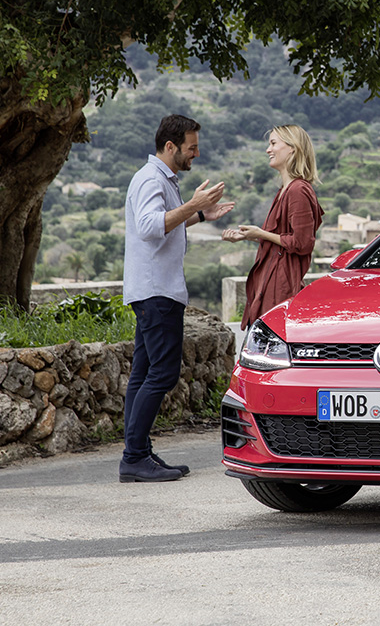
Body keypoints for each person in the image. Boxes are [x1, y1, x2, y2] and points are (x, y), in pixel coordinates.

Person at [121, 114, 234, 483]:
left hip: (153, 289)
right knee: (163, 373)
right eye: (191, 148)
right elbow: (150, 227)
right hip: (157, 291)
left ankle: (137, 452)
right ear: (170, 147)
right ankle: (134, 457)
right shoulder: (151, 179)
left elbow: (165, 222)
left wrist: (201, 213)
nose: (195, 154)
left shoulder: (158, 178)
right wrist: (193, 205)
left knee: (143, 372)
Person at [223, 124, 324, 329]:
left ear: (292, 148)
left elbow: (302, 243)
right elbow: (281, 238)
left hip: (280, 288)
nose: (268, 150)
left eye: (273, 143)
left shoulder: (297, 191)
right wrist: (249, 236)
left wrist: (262, 233)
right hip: (271, 284)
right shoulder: (286, 190)